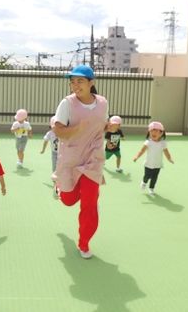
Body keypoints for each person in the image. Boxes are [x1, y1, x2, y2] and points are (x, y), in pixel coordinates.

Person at [53, 65, 108, 259]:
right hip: (71, 158)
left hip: (93, 160)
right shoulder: (67, 104)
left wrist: (109, 129)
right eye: (73, 81)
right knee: (68, 201)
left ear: (91, 83)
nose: (75, 85)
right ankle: (59, 186)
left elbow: (102, 125)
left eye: (80, 81)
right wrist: (77, 129)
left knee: (89, 204)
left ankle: (84, 243)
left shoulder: (102, 103)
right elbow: (58, 131)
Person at [133, 121, 174, 196]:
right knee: (147, 176)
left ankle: (151, 188)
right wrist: (136, 157)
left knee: (154, 178)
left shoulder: (163, 143)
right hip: (148, 164)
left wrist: (169, 159)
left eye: (156, 132)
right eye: (152, 132)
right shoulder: (148, 142)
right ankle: (144, 182)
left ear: (161, 133)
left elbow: (166, 152)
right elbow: (141, 151)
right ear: (149, 133)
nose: (153, 134)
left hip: (157, 165)